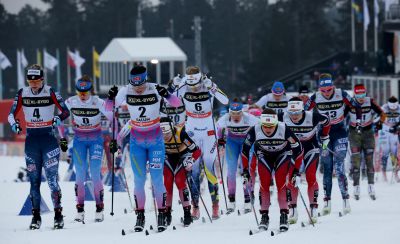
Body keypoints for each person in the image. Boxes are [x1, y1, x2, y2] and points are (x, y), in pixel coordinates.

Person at [107, 65, 181, 232]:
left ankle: (162, 213)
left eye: (140, 86)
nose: (138, 89)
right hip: (137, 143)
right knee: (139, 181)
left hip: (155, 142)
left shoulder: (154, 88)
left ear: (146, 80)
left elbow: (176, 103)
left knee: (156, 180)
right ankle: (140, 216)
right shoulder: (126, 90)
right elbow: (108, 110)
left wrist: (167, 94)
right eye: (135, 86)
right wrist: (110, 98)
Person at [8, 64, 70, 229]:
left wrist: (58, 119)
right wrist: (14, 124)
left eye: (36, 80)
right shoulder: (23, 92)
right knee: (34, 182)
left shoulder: (50, 91)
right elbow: (11, 114)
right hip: (32, 142)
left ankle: (58, 214)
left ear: (42, 79)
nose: (33, 84)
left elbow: (65, 111)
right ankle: (36, 216)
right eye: (30, 80)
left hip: (49, 141)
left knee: (52, 181)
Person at [176, 66, 229, 220]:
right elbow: (171, 100)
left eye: (196, 84)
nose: (194, 88)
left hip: (209, 132)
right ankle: (195, 207)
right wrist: (178, 86)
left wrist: (212, 87)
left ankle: (215, 205)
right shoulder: (185, 84)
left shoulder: (207, 83)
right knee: (193, 171)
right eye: (191, 85)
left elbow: (225, 100)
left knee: (209, 167)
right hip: (192, 130)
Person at [304, 73, 362, 215]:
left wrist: (358, 122)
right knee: (327, 167)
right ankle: (327, 201)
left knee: (339, 165)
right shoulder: (315, 97)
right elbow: (303, 112)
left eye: (328, 90)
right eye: (323, 91)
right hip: (323, 135)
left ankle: (345, 199)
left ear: (333, 87)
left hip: (339, 132)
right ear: (319, 89)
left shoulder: (341, 93)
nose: (326, 93)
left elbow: (356, 105)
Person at [241, 109, 303, 232]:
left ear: (276, 123)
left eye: (271, 126)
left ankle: (284, 215)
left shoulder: (284, 129)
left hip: (283, 153)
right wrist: (245, 171)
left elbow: (299, 150)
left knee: (281, 183)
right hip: (264, 154)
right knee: (264, 184)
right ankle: (264, 216)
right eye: (265, 126)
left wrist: (296, 171)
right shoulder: (255, 129)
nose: (268, 129)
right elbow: (244, 150)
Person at [63, 75, 113, 222]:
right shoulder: (71, 101)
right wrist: (62, 138)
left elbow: (112, 117)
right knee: (79, 176)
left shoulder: (98, 102)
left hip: (96, 140)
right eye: (80, 92)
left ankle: (99, 208)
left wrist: (115, 137)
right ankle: (80, 210)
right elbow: (60, 118)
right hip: (79, 140)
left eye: (85, 92)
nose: (83, 95)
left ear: (91, 90)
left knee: (95, 174)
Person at [281, 97, 330, 224]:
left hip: (310, 146)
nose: (294, 116)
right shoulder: (282, 116)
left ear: (303, 110)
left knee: (310, 176)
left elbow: (327, 121)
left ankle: (313, 208)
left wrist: (325, 136)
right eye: (291, 113)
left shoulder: (312, 116)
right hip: (292, 149)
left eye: (297, 112)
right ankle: (293, 209)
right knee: (291, 177)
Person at [216, 99, 259, 213]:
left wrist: (255, 138)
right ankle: (231, 199)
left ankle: (248, 199)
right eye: (233, 113)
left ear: (242, 112)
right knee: (231, 171)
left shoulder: (249, 118)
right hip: (232, 143)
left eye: (238, 113)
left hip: (246, 142)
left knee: (246, 170)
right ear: (229, 112)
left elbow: (260, 125)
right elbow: (219, 127)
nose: (235, 116)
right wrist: (220, 139)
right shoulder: (225, 118)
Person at [159, 117, 201, 226]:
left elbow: (197, 151)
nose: (165, 137)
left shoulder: (181, 133)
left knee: (179, 181)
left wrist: (191, 161)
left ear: (172, 129)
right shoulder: (156, 134)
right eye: (163, 134)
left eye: (168, 133)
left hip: (182, 156)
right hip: (168, 157)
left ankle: (187, 213)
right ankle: (167, 213)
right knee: (167, 182)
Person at [348, 84, 385, 200]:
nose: (361, 98)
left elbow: (382, 113)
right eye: (358, 95)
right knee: (356, 161)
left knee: (369, 160)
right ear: (354, 94)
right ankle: (356, 186)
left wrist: (379, 125)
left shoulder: (369, 101)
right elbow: (342, 116)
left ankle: (371, 185)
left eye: (363, 94)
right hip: (354, 133)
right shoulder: (349, 103)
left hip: (368, 133)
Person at [379, 96, 400, 182]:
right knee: (385, 152)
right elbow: (381, 120)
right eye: (391, 108)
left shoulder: (399, 108)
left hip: (394, 132)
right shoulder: (384, 108)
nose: (393, 110)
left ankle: (395, 173)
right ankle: (384, 173)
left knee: (394, 152)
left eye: (394, 108)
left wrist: (396, 127)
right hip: (384, 132)